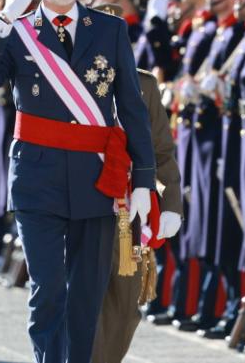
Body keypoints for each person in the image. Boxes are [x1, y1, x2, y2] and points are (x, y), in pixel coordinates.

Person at [0, 0, 156, 363]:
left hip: (96, 178)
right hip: (38, 179)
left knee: (87, 296)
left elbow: (131, 108)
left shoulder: (108, 30)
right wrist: (3, 20)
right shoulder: (18, 33)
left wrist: (143, 178)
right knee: (48, 291)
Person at [92, 67, 183, 363]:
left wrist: (171, 202)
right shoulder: (66, 72)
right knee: (79, 298)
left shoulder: (141, 82)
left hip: (128, 208)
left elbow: (161, 148)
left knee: (124, 305)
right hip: (78, 203)